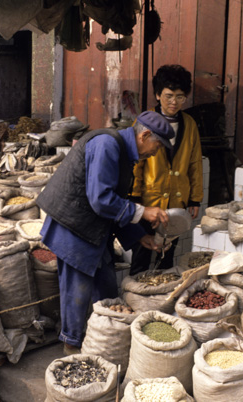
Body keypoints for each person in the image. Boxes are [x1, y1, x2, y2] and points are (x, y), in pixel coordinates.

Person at [37, 111, 173, 355]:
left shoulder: (125, 153)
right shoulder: (107, 144)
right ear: (145, 135)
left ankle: (106, 341)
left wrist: (139, 237)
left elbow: (115, 202)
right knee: (76, 293)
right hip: (73, 227)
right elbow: (101, 199)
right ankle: (72, 346)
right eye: (158, 145)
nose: (156, 152)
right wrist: (143, 212)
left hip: (93, 229)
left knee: (108, 288)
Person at [129, 64, 204, 276]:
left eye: (180, 97)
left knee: (167, 255)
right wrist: (134, 196)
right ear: (157, 94)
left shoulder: (189, 124)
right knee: (141, 254)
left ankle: (161, 296)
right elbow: (137, 161)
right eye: (169, 96)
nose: (174, 102)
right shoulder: (145, 120)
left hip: (177, 201)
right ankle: (135, 293)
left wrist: (195, 199)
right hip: (148, 201)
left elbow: (194, 163)